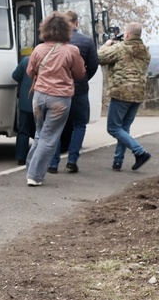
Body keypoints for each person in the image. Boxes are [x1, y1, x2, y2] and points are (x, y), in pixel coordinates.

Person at [25, 12, 86, 186]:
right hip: (60, 98)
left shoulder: (38, 49)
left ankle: (31, 168)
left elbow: (30, 72)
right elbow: (80, 74)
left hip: (39, 95)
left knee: (39, 134)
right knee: (49, 137)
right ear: (67, 30)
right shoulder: (71, 50)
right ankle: (35, 176)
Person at [48, 10, 99, 173]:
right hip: (79, 90)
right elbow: (93, 66)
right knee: (79, 124)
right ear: (77, 23)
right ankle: (72, 159)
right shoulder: (87, 41)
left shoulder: (53, 42)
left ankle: (53, 163)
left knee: (56, 126)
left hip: (58, 89)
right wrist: (82, 78)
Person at [99, 21, 152, 171]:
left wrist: (107, 43)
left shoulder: (120, 48)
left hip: (122, 92)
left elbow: (99, 58)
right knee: (124, 128)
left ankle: (140, 152)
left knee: (113, 128)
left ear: (127, 34)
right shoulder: (146, 51)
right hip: (138, 93)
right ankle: (117, 161)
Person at [11, 54, 35, 165]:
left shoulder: (26, 60)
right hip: (43, 101)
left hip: (26, 100)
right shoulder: (53, 59)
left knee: (23, 130)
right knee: (43, 131)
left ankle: (21, 157)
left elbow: (15, 76)